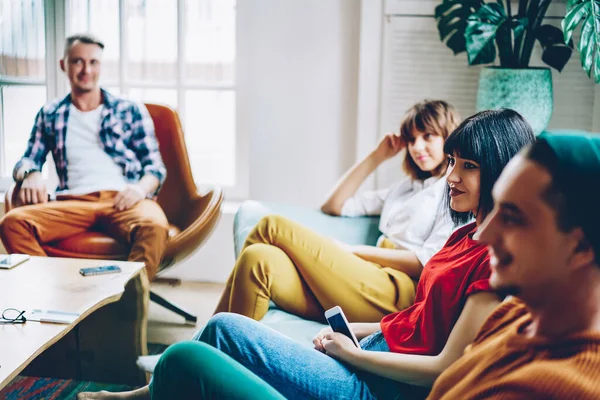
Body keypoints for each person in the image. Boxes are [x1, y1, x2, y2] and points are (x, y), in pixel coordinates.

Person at [78, 109, 536, 400]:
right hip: (368, 349)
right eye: (453, 163)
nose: (452, 176)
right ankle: (153, 389)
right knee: (259, 263)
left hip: (374, 385)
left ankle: (150, 389)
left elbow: (443, 368)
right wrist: (347, 333)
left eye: (468, 166)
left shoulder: (496, 264)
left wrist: (353, 353)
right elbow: (418, 320)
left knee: (225, 325)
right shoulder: (464, 234)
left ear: (502, 172)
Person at [215, 100, 461, 323]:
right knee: (257, 259)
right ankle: (206, 355)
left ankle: (200, 344)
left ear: (448, 138)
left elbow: (425, 263)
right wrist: (376, 157)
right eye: (411, 139)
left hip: (395, 293)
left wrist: (353, 252)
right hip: (363, 282)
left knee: (271, 226)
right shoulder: (404, 189)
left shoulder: (453, 191)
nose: (417, 147)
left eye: (428, 136)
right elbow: (334, 205)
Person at [426, 132, 600, 399]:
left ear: (580, 247)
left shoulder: (558, 387)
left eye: (511, 218)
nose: (483, 235)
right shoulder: (515, 312)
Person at [0, 34, 168, 280]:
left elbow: (155, 167)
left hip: (123, 200)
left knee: (154, 226)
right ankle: (57, 289)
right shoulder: (50, 113)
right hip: (72, 202)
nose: (86, 69)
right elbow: (27, 160)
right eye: (78, 61)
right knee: (12, 223)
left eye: (93, 62)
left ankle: (125, 307)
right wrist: (32, 173)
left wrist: (140, 190)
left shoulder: (129, 109)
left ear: (101, 65)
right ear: (63, 65)